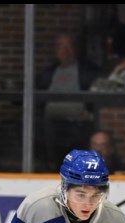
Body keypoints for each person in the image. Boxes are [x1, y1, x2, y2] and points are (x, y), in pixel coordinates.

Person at [36, 33, 101, 171]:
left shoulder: (88, 71)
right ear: (55, 51)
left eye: (69, 46)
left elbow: (99, 93)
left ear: (76, 49)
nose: (65, 51)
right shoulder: (47, 73)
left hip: (78, 122)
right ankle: (49, 169)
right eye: (61, 46)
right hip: (51, 123)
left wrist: (89, 114)